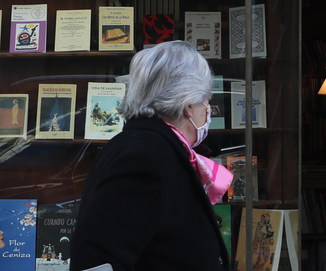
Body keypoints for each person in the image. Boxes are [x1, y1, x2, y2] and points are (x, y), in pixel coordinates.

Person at [70, 41, 232, 271]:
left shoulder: (148, 147)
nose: (207, 109)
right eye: (206, 100)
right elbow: (96, 256)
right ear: (188, 105)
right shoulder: (147, 156)